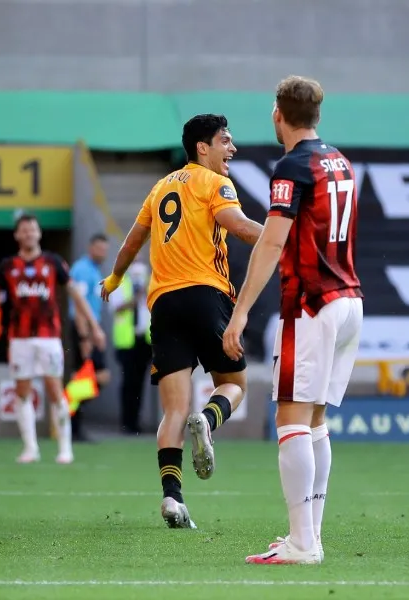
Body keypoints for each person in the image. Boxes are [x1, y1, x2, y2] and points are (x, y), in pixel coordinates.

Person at [223, 76, 363, 565]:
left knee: (291, 421)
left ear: (277, 114)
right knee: (316, 420)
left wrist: (239, 313)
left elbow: (272, 242)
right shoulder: (338, 160)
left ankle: (302, 543)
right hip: (348, 298)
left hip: (312, 305)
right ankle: (310, 536)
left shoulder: (293, 166)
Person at [101, 114, 263, 529]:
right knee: (235, 384)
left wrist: (116, 277)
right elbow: (240, 227)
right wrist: (284, 238)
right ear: (202, 148)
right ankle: (208, 422)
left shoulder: (160, 188)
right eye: (225, 140)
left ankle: (172, 500)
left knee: (173, 410)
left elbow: (132, 242)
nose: (233, 148)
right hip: (206, 295)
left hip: (164, 304)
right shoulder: (215, 184)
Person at [0, 214, 105, 465]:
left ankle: (64, 448)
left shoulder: (53, 262)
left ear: (39, 233)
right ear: (17, 235)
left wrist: (94, 327)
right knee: (22, 392)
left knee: (54, 390)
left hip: (49, 338)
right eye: (24, 230)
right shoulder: (8, 266)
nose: (29, 234)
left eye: (33, 230)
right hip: (19, 339)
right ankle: (31, 448)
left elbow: (76, 295)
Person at [68, 233, 111, 442]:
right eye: (100, 248)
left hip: (91, 330)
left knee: (90, 378)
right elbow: (78, 305)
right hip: (82, 329)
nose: (103, 253)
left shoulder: (94, 270)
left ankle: (71, 421)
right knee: (89, 377)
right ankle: (70, 422)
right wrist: (85, 336)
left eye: (105, 249)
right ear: (90, 247)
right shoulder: (82, 269)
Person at [109, 260, 152, 435]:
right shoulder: (120, 283)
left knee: (140, 383)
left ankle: (136, 422)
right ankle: (126, 422)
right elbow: (116, 308)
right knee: (128, 382)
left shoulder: (151, 284)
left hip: (145, 341)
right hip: (127, 342)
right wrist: (136, 297)